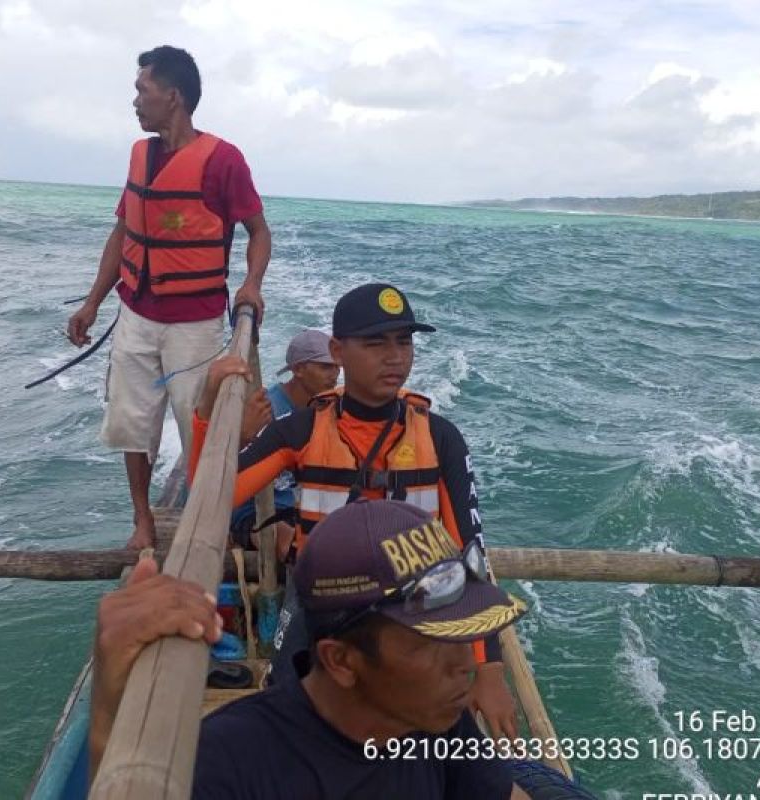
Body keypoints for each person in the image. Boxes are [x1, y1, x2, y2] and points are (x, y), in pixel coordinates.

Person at [187, 283, 519, 739]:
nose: (395, 357)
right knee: (290, 711)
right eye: (375, 343)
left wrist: (489, 669)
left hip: (412, 608)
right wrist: (206, 412)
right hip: (321, 604)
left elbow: (470, 553)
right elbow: (211, 497)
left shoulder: (441, 438)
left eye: (404, 342)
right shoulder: (301, 428)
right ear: (338, 351)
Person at [91, 500, 596, 798]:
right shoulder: (232, 765)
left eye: (460, 632)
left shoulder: (433, 719)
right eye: (429, 644)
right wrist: (110, 709)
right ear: (340, 660)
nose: (464, 664)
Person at [65, 45, 271, 551]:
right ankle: (143, 522)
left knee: (196, 421)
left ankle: (208, 521)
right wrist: (92, 302)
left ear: (173, 97)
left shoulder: (223, 160)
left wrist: (251, 286)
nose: (136, 101)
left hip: (194, 323)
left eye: (143, 90)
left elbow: (259, 231)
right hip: (135, 313)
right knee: (132, 422)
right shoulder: (140, 156)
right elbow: (122, 234)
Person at [231, 328, 340, 560]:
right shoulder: (264, 411)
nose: (335, 375)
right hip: (257, 513)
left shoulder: (327, 408)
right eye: (325, 367)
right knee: (287, 540)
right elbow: (223, 471)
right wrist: (244, 436)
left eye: (337, 367)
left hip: (304, 506)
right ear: (298, 369)